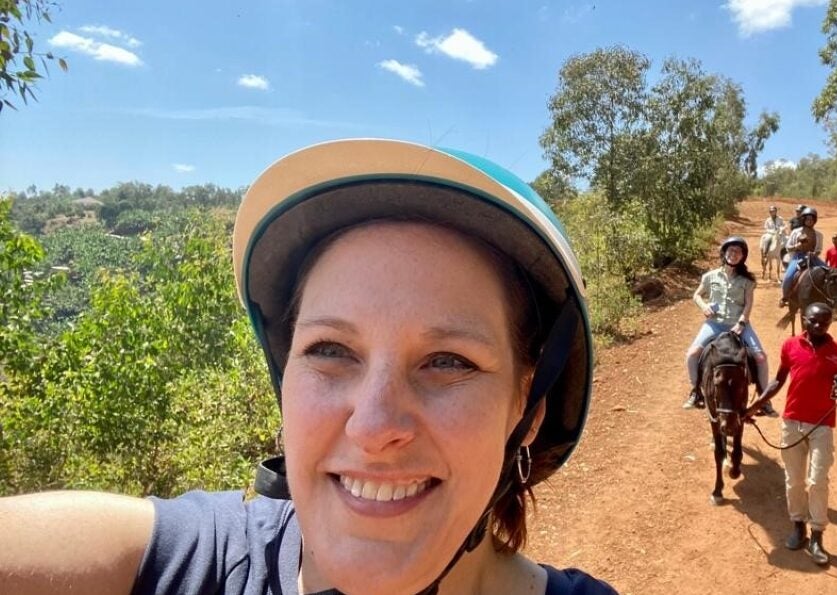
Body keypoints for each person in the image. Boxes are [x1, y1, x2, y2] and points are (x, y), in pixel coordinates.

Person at [0, 139, 616, 595]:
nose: (374, 427)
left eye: (447, 361)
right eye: (330, 351)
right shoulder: (191, 563)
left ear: (527, 408)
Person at [743, 302, 837, 567]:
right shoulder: (790, 346)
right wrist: (754, 406)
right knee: (793, 480)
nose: (818, 326)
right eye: (813, 321)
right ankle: (798, 526)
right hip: (792, 423)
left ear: (829, 323)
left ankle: (817, 536)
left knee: (818, 480)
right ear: (803, 319)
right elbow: (778, 380)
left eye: (824, 322)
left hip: (822, 425)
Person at [683, 236, 774, 417]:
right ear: (724, 253)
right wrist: (704, 306)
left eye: (738, 252)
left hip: (738, 324)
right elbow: (696, 295)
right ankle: (696, 392)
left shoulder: (747, 281)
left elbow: (748, 304)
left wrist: (741, 323)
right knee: (692, 354)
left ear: (742, 257)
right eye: (731, 251)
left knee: (761, 357)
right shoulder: (710, 276)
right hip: (714, 324)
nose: (734, 254)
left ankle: (764, 399)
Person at [779, 206, 825, 307]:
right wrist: (796, 246)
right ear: (803, 219)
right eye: (807, 219)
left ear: (815, 220)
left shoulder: (819, 235)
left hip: (812, 257)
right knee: (788, 276)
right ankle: (785, 297)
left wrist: (814, 254)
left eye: (812, 219)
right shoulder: (796, 232)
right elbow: (788, 247)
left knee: (829, 271)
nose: (810, 221)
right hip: (798, 256)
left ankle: (829, 299)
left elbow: (819, 249)